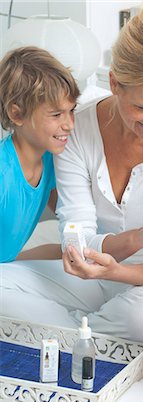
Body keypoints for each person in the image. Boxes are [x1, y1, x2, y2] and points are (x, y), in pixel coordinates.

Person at [1, 4, 143, 361]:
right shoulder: (77, 128)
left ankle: (79, 337)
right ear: (114, 83)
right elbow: (76, 234)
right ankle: (112, 345)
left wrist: (124, 269)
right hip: (92, 276)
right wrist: (135, 239)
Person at [0, 46, 80, 263]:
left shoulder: (52, 160)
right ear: (16, 114)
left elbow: (69, 213)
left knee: (74, 252)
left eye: (71, 110)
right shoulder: (3, 174)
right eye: (56, 114)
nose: (69, 125)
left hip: (8, 262)